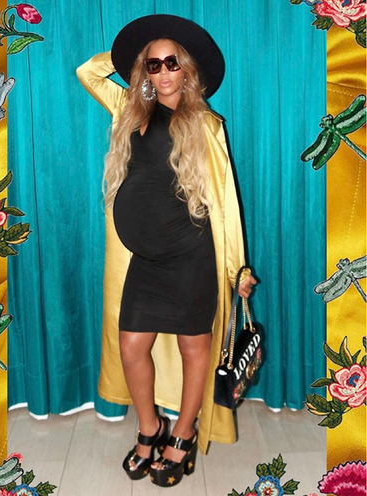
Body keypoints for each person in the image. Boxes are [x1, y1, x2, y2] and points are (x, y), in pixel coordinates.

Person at [76, 14, 257, 488]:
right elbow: (87, 72)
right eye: (152, 64)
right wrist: (129, 58)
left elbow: (225, 203)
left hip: (192, 257)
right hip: (147, 261)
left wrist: (238, 269)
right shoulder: (130, 109)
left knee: (194, 347)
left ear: (187, 68)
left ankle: (183, 434)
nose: (162, 72)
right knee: (132, 346)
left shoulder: (206, 124)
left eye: (171, 62)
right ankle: (150, 426)